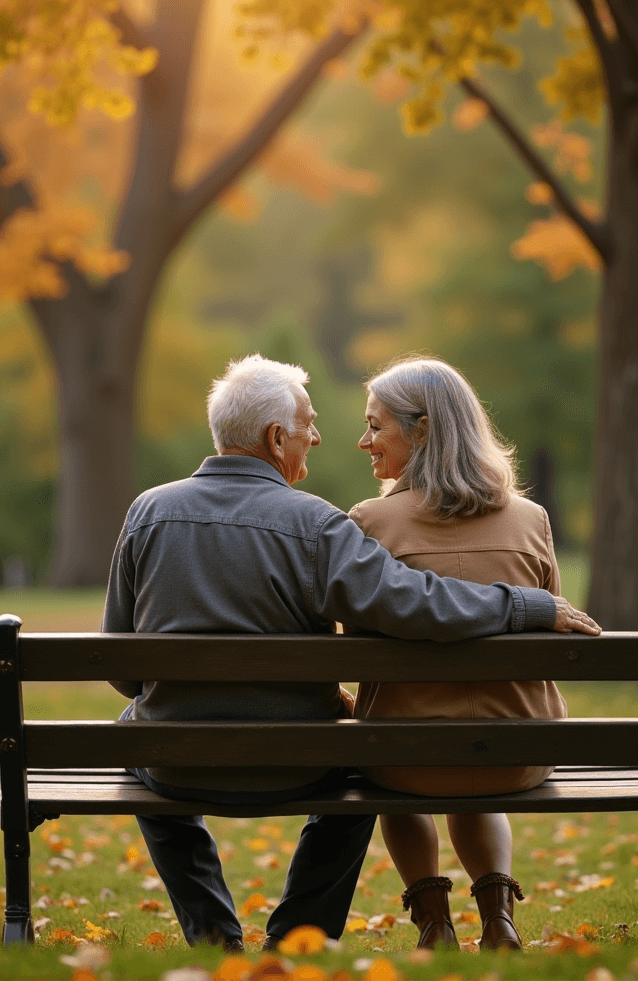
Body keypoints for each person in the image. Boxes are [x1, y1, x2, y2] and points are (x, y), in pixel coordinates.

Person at [103, 354, 600, 953]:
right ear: (275, 437)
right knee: (357, 752)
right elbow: (413, 603)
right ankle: (296, 935)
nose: (319, 434)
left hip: (176, 759)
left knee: (137, 737)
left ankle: (213, 935)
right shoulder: (318, 524)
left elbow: (125, 674)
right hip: (302, 759)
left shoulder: (146, 512)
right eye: (309, 423)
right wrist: (523, 606)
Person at [348, 356, 578, 952]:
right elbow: (552, 622)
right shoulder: (531, 519)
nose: (363, 441)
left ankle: (433, 922)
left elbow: (346, 642)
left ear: (421, 430)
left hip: (403, 760)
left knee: (406, 759)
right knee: (475, 740)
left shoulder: (370, 522)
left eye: (376, 426)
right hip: (519, 754)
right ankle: (498, 917)